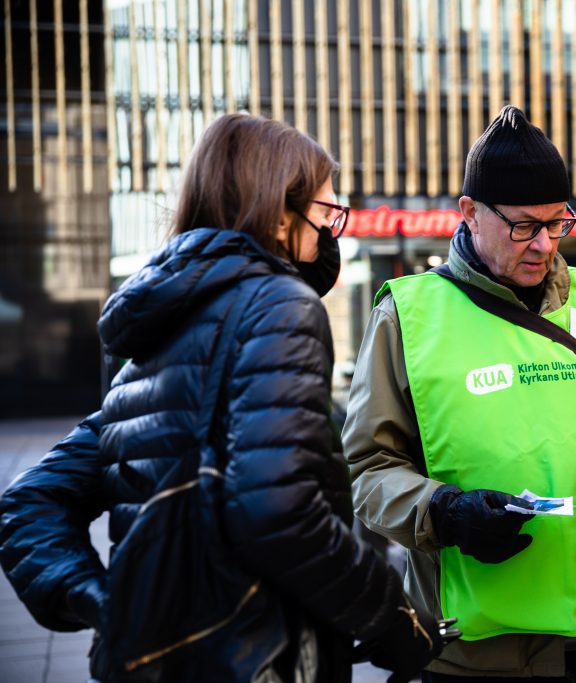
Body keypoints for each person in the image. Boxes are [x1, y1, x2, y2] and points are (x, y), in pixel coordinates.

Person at [0, 113, 453, 682]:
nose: (330, 235)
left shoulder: (160, 330)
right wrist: (392, 614)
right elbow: (278, 511)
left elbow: (28, 505)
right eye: (326, 214)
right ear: (280, 214)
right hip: (258, 659)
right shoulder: (279, 307)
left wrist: (114, 607)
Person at [342, 105, 576, 681]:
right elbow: (368, 471)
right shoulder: (407, 314)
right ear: (469, 213)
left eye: (558, 223)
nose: (543, 245)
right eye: (523, 225)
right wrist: (446, 513)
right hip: (466, 649)